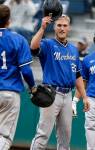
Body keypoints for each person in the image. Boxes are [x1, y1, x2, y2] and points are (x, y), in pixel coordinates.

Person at [30, 14, 90, 150]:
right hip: (51, 93)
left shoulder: (74, 50)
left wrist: (85, 97)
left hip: (68, 95)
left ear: (69, 28)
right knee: (43, 135)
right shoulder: (48, 44)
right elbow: (33, 47)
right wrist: (42, 28)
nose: (62, 28)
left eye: (64, 26)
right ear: (55, 27)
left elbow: (78, 75)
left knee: (65, 138)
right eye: (59, 25)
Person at [0, 4, 36, 150]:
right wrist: (32, 87)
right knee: (4, 136)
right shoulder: (18, 39)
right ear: (9, 20)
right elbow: (26, 71)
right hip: (9, 92)